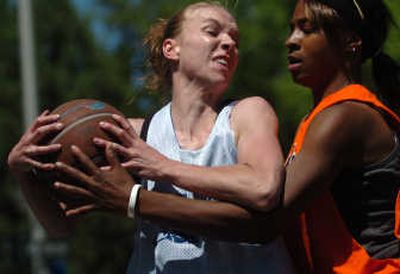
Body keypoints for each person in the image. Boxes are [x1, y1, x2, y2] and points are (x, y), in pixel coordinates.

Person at [56, 0, 400, 273]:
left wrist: (134, 200)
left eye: (306, 30)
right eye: (292, 28)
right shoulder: (321, 118)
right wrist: (24, 168)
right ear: (170, 48)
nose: (290, 40)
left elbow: (263, 225)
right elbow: (59, 219)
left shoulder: (343, 117)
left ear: (350, 43)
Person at [8, 2, 294, 274]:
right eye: (212, 31)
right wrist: (24, 173)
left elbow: (263, 187)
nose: (229, 43)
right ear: (172, 49)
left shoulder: (247, 113)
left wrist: (162, 167)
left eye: (235, 39)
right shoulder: (131, 135)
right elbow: (60, 226)